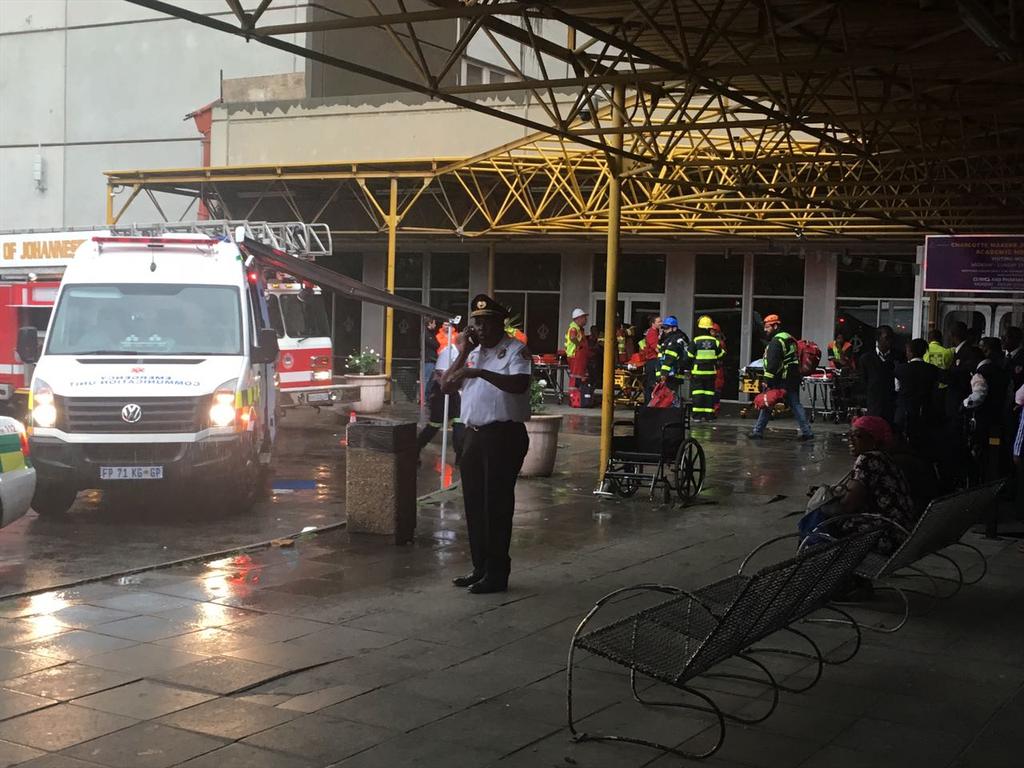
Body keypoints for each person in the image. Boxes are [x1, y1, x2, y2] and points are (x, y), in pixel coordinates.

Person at [441, 294, 531, 595]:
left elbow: (519, 384)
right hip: (474, 436)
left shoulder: (515, 350)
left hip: (503, 436)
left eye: (483, 322)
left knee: (496, 505)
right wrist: (464, 353)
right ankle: (480, 567)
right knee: (475, 505)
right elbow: (445, 386)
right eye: (475, 322)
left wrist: (478, 372)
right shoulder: (472, 353)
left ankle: (497, 573)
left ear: (498, 323)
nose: (477, 327)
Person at [807, 416, 916, 557]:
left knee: (820, 520)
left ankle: (813, 567)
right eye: (849, 435)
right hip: (900, 531)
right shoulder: (885, 458)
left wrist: (822, 502)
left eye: (857, 435)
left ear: (874, 439)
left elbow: (847, 506)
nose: (850, 440)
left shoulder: (868, 459)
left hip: (885, 535)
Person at [749, 314, 813, 441]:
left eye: (767, 327)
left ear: (776, 326)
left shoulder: (776, 342)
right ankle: (807, 432)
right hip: (792, 378)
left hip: (780, 380)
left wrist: (767, 381)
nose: (765, 330)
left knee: (768, 402)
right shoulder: (788, 338)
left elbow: (772, 364)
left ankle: (757, 431)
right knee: (794, 405)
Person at [963, 337, 1010, 484]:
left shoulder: (980, 373)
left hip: (983, 423)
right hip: (997, 422)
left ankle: (980, 482)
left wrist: (964, 404)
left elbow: (978, 396)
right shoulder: (1000, 370)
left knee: (980, 452)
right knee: (994, 449)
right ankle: (994, 480)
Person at [417, 327, 465, 462]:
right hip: (441, 393)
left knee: (459, 422)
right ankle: (417, 447)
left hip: (455, 393)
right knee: (435, 424)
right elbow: (441, 375)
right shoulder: (448, 353)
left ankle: (460, 456)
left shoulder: (463, 354)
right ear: (461, 344)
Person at [894, 337, 939, 453]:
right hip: (925, 411)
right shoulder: (932, 369)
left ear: (910, 352)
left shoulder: (900, 369)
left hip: (904, 411)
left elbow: (897, 388)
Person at [858, 325, 899, 426]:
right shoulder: (866, 358)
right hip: (874, 402)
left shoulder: (898, 356)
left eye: (891, 337)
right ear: (878, 338)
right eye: (886, 338)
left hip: (892, 401)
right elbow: (863, 380)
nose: (889, 341)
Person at [689, 315, 724, 421]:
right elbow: (721, 355)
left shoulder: (696, 341)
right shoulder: (715, 342)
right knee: (709, 393)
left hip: (698, 372)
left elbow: (689, 356)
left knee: (698, 393)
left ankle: (697, 416)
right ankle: (709, 415)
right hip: (710, 372)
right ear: (709, 328)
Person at [656, 315, 690, 403]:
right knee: (667, 397)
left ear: (674, 329)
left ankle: (672, 412)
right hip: (668, 373)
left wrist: (663, 374)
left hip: (672, 373)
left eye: (667, 328)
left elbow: (669, 359)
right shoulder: (667, 339)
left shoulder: (675, 340)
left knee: (671, 397)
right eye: (664, 328)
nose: (664, 330)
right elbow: (661, 357)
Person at [564, 308, 589, 395]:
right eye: (584, 317)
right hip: (575, 355)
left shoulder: (579, 328)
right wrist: (579, 345)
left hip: (579, 356)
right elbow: (573, 338)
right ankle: (574, 396)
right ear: (579, 318)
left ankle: (579, 396)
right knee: (576, 376)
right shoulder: (574, 328)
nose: (586, 320)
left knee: (581, 376)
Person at [641, 315, 662, 404]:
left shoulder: (656, 332)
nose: (661, 323)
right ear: (653, 323)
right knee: (651, 384)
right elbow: (656, 348)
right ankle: (649, 404)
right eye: (659, 322)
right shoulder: (652, 333)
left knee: (652, 384)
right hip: (652, 361)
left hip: (653, 360)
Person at [711, 321, 727, 417]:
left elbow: (722, 355)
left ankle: (714, 409)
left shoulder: (719, 343)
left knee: (716, 389)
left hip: (717, 368)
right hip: (713, 368)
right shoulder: (717, 342)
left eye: (712, 331)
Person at [1003, 326, 1024, 393]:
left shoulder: (1022, 356)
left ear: (1017, 339)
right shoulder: (998, 356)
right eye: (1002, 336)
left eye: (1007, 337)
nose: (1002, 340)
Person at [423, 318, 440, 400]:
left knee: (431, 380)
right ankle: (423, 398)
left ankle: (427, 396)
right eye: (434, 323)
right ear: (429, 324)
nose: (435, 325)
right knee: (426, 379)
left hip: (432, 359)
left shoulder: (431, 333)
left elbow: (437, 343)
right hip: (428, 359)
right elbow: (435, 344)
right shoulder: (425, 334)